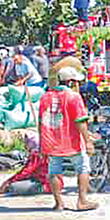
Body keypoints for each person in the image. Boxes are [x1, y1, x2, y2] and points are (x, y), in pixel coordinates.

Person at [40, 65, 98, 211]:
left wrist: (42, 142)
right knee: (83, 168)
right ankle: (82, 201)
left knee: (54, 171)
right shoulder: (74, 97)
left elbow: (41, 122)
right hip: (71, 141)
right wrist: (88, 141)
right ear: (71, 82)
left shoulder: (45, 97)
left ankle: (59, 203)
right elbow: (80, 121)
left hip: (51, 141)